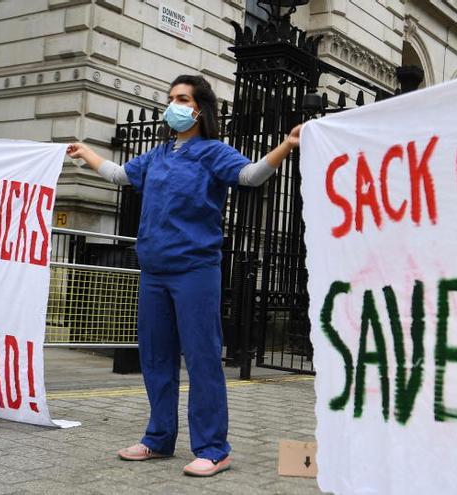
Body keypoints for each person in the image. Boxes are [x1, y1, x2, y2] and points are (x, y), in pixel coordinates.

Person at [66, 74, 302, 477]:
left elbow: (250, 176)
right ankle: (158, 439)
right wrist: (86, 153)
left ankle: (214, 449)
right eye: (170, 97)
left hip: (194, 270)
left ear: (199, 108)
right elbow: (121, 175)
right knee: (156, 358)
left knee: (202, 357)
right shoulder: (157, 156)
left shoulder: (213, 152)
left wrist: (285, 145)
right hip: (154, 271)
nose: (172, 104)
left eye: (182, 98)